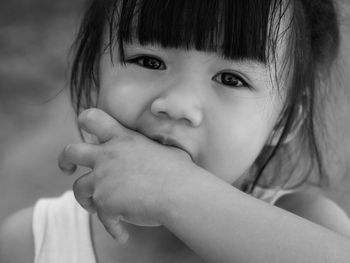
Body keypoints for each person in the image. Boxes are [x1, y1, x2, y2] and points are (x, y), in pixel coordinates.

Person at [1, 0, 350, 262]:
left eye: (231, 79)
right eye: (149, 61)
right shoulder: (33, 243)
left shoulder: (306, 227)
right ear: (95, 76)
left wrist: (176, 193)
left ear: (284, 118)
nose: (178, 105)